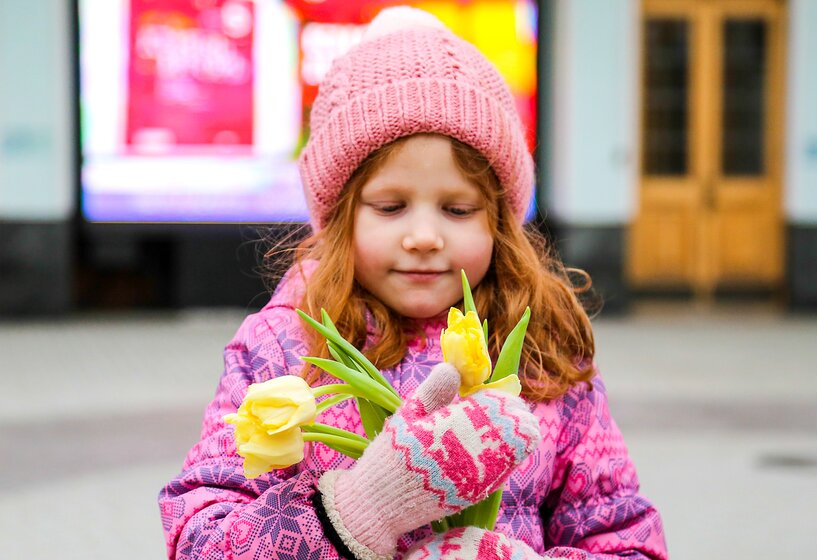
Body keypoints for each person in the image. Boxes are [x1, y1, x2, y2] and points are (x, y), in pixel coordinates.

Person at [159, 6, 668, 560]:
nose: (424, 236)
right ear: (340, 218)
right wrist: (359, 509)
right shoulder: (281, 350)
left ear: (498, 222)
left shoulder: (545, 358)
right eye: (391, 206)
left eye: (457, 209)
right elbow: (198, 540)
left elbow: (625, 541)